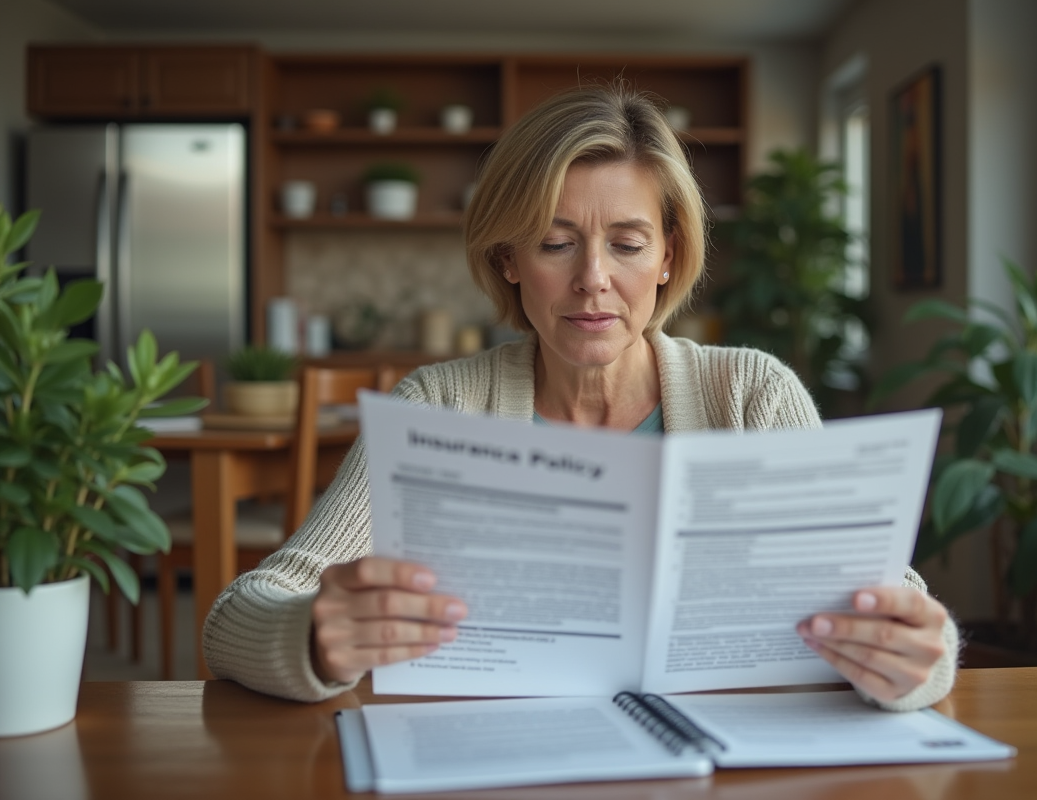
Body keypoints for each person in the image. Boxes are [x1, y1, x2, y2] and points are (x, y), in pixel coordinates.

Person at [203, 85, 958, 711]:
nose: (593, 277)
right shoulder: (437, 405)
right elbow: (238, 613)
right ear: (507, 259)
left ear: (668, 256)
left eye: (627, 244)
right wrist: (311, 635)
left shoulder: (751, 394)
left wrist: (915, 660)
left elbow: (902, 612)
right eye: (555, 242)